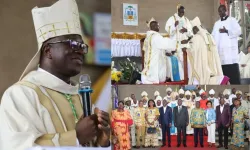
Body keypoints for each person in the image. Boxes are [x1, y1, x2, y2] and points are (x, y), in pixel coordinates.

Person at [0, 0, 110, 149]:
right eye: (72, 43)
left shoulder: (80, 97)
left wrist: (103, 141)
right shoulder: (20, 95)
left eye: (82, 46)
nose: (79, 50)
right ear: (48, 51)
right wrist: (75, 137)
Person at [187, 17, 225, 85]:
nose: (193, 32)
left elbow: (192, 50)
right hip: (212, 65)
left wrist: (187, 47)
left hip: (203, 65)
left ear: (196, 28)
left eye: (193, 29)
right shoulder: (208, 34)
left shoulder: (197, 37)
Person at [212, 5, 242, 84]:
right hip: (221, 55)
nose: (220, 12)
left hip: (230, 55)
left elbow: (239, 31)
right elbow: (213, 37)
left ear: (226, 11)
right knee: (223, 78)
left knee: (234, 78)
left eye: (222, 10)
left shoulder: (232, 20)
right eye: (219, 11)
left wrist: (227, 31)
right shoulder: (216, 24)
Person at [141, 18, 176, 84]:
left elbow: (155, 48)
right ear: (154, 26)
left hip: (148, 64)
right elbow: (167, 44)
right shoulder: (156, 36)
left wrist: (166, 52)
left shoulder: (147, 37)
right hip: (153, 69)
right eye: (158, 25)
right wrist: (175, 41)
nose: (159, 27)